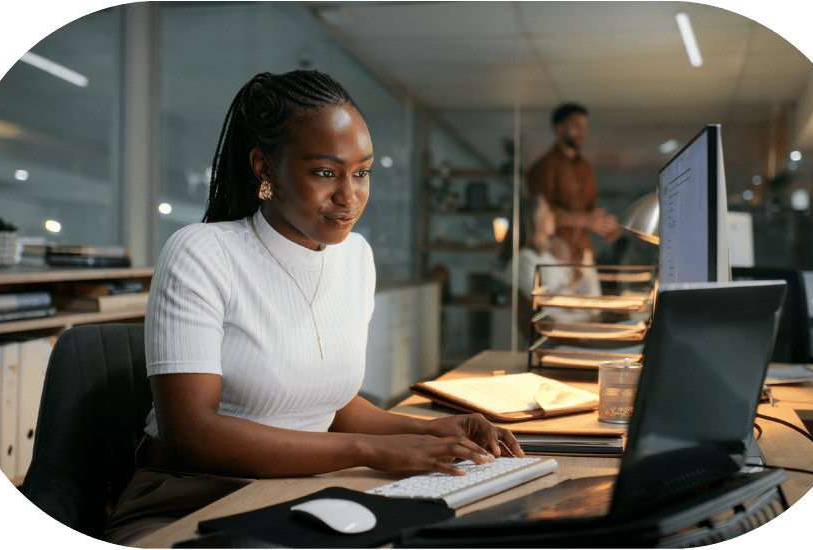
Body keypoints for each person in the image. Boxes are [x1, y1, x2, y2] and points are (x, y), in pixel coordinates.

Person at [102, 70, 523, 545]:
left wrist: (431, 431)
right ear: (265, 169)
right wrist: (371, 451)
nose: (349, 197)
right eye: (326, 172)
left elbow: (327, 405)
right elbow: (192, 437)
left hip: (303, 491)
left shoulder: (356, 258)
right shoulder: (202, 253)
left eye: (361, 172)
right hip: (188, 500)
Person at [526, 102, 621, 265]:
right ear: (559, 128)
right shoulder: (543, 167)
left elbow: (590, 213)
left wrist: (604, 225)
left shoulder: (587, 169)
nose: (582, 131)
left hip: (585, 254)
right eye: (576, 125)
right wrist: (586, 221)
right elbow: (539, 215)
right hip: (554, 255)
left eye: (585, 126)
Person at [497, 195, 600, 342]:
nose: (553, 216)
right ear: (534, 220)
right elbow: (546, 308)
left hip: (572, 325)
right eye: (547, 212)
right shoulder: (524, 259)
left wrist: (581, 271)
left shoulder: (545, 256)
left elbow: (571, 290)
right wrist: (576, 281)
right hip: (559, 335)